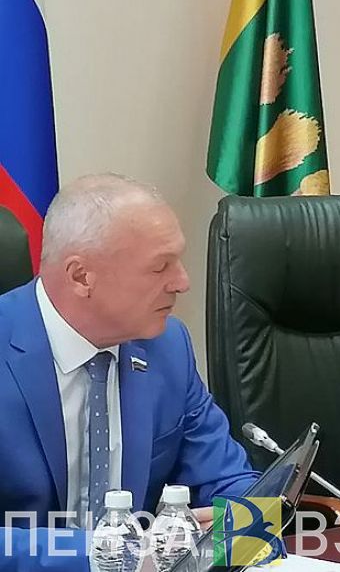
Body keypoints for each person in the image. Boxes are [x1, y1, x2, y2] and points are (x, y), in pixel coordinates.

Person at [0, 174, 259, 569]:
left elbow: (229, 480)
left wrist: (240, 524)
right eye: (160, 268)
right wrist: (102, 554)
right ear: (81, 276)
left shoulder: (168, 346)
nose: (183, 282)